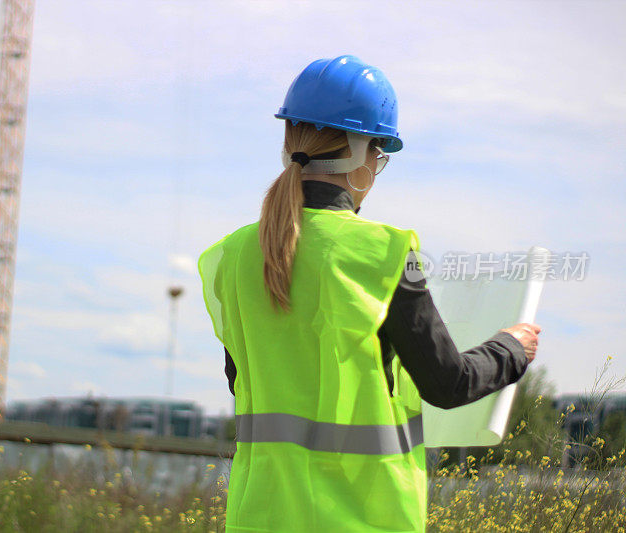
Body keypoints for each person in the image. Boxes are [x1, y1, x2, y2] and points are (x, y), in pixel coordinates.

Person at [197, 55, 541, 533]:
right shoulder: (384, 253)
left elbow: (245, 379)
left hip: (262, 517)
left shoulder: (232, 256)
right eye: (381, 156)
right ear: (362, 152)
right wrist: (511, 348)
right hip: (363, 517)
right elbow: (448, 383)